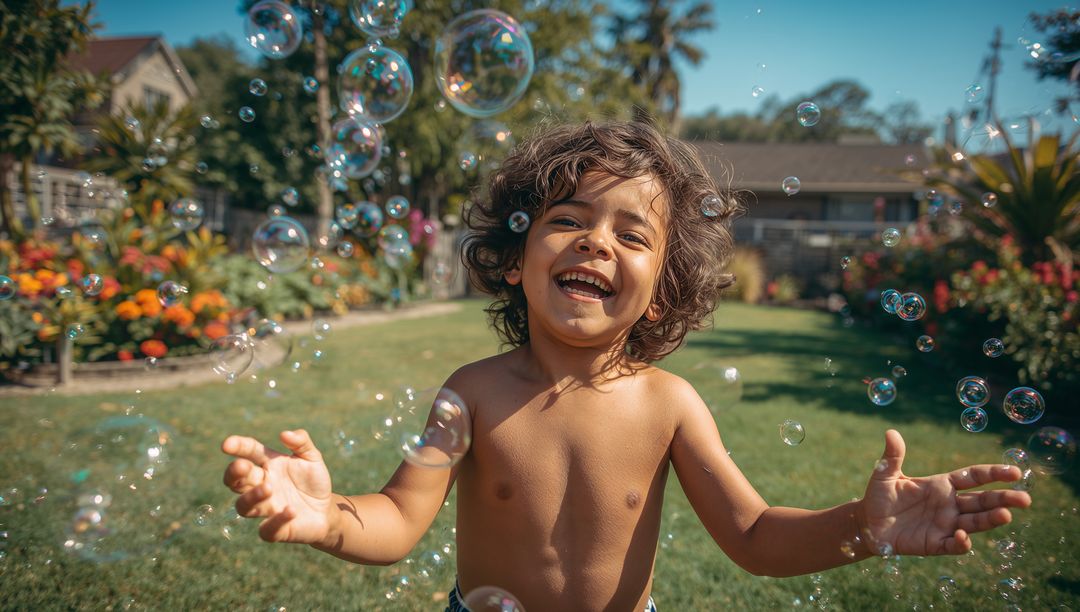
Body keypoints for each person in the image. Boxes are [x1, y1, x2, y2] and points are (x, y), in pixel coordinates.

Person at [221, 121, 1031, 611]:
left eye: (631, 235)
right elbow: (399, 518)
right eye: (566, 219)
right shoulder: (469, 395)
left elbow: (752, 536)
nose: (596, 242)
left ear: (659, 292)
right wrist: (328, 519)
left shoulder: (670, 405)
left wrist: (863, 525)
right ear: (513, 258)